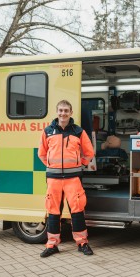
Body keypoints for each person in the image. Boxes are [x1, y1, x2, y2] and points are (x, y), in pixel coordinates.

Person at [38, 99, 95, 257]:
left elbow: (89, 152)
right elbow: (41, 154)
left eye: (66, 111)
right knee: (53, 212)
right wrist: (51, 166)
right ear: (57, 112)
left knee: (77, 211)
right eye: (60, 110)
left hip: (72, 178)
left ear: (71, 113)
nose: (63, 113)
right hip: (54, 179)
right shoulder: (48, 131)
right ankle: (52, 245)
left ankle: (82, 243)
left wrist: (80, 164)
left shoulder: (78, 131)